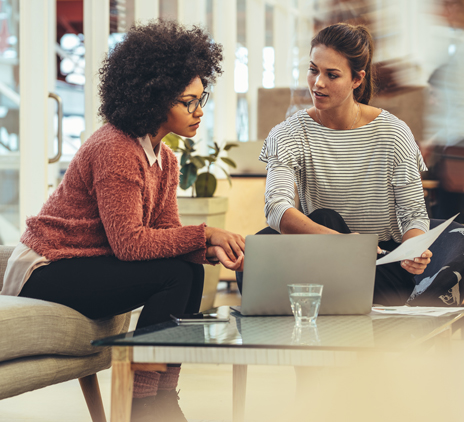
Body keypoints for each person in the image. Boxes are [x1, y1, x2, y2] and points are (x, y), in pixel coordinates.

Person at [1, 20, 244, 422]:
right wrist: (206, 233)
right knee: (178, 275)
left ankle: (160, 395)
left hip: (87, 262)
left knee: (190, 268)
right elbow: (130, 244)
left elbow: (164, 233)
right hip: (48, 268)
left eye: (202, 99)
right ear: (154, 99)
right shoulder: (115, 147)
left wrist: (206, 247)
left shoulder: (164, 158)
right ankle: (142, 403)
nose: (199, 112)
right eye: (188, 102)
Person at [237, 22, 435, 307]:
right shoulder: (288, 133)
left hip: (380, 269)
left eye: (332, 75)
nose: (318, 83)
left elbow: (414, 213)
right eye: (313, 69)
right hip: (317, 259)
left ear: (357, 80)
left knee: (325, 218)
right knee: (258, 249)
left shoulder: (394, 133)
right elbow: (276, 208)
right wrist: (343, 244)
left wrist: (414, 249)